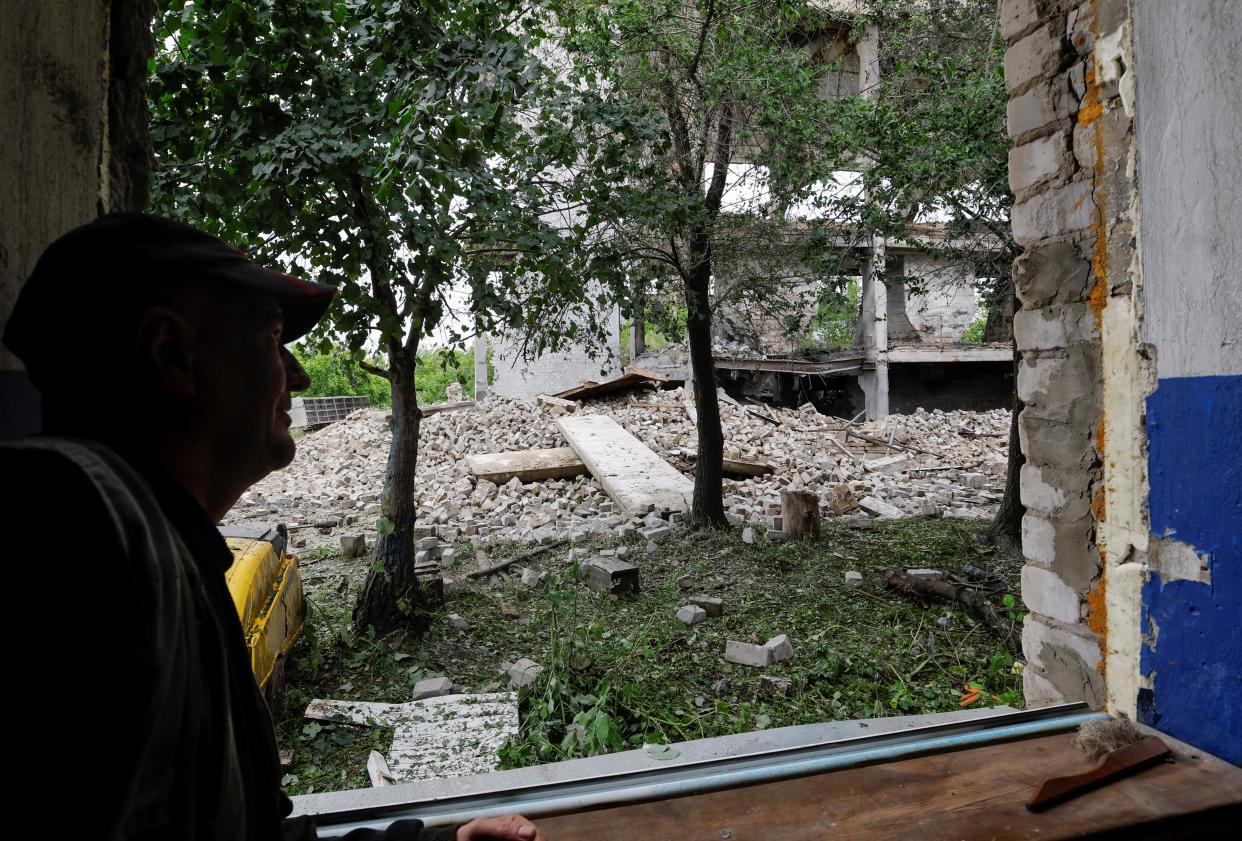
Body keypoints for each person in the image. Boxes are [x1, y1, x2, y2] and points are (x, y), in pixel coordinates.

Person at [0, 213, 544, 841]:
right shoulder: (64, 524)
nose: (298, 374)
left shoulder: (166, 548)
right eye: (271, 336)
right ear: (172, 354)